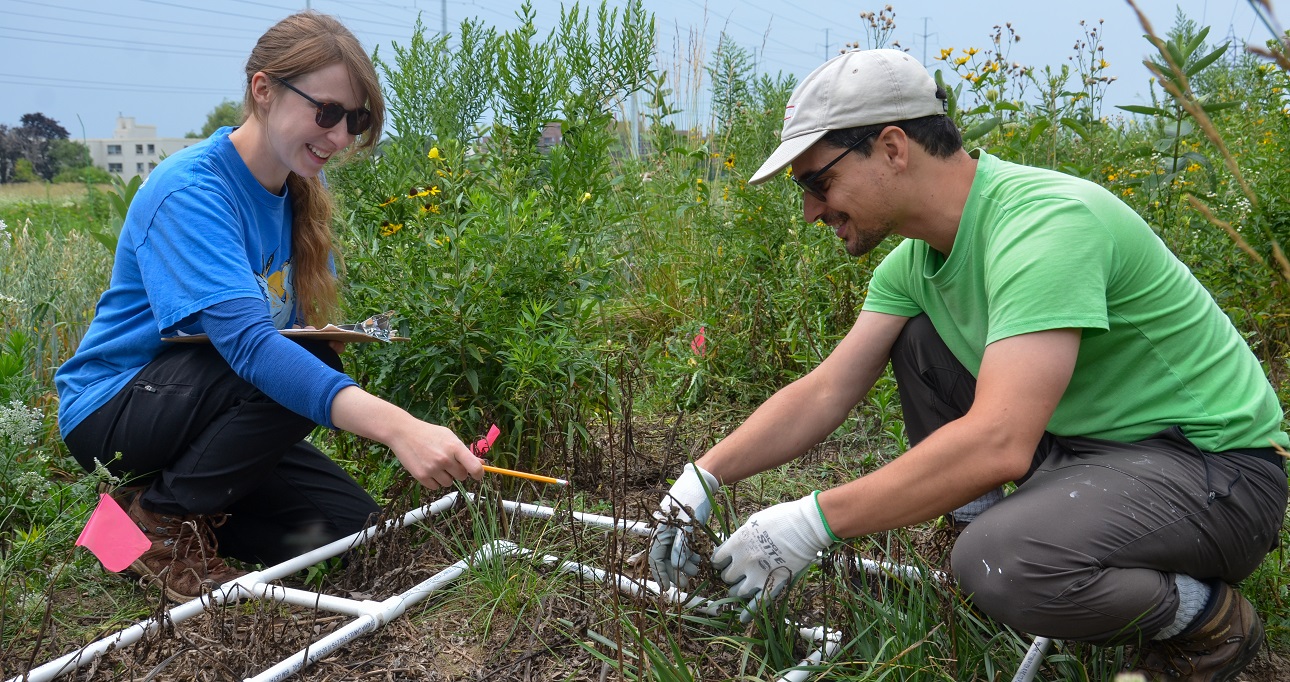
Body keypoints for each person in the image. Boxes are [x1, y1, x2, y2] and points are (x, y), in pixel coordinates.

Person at [647, 49, 1288, 681]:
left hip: (1216, 474)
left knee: (1000, 561)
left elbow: (1001, 442)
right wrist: (701, 479)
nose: (812, 209)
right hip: (1096, 455)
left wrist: (810, 523)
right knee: (923, 340)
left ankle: (1206, 622)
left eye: (818, 181)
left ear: (893, 148)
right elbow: (825, 392)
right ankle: (993, 568)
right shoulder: (917, 265)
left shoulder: (1044, 226)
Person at [55, 11, 484, 603]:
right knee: (297, 361)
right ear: (263, 90)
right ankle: (161, 519)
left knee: (350, 535)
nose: (338, 136)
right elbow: (255, 351)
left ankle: (124, 531)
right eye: (326, 111)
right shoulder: (192, 191)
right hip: (114, 411)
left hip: (196, 414)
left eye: (354, 119)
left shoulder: (296, 198)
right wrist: (401, 430)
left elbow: (293, 346)